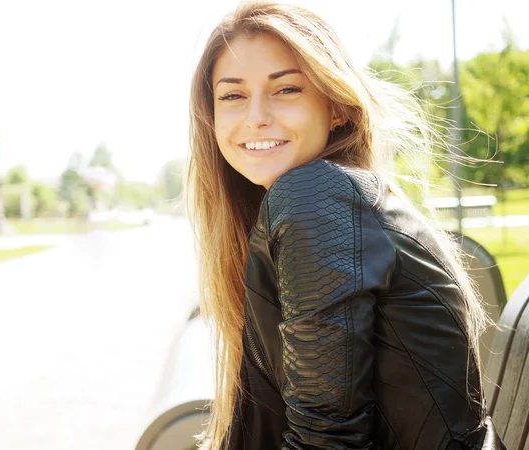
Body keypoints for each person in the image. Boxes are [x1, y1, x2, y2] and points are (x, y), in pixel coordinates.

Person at [185, 2, 506, 449]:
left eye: (286, 89)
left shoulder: (315, 197)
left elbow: (327, 442)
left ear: (336, 108)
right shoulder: (336, 198)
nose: (255, 115)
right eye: (233, 95)